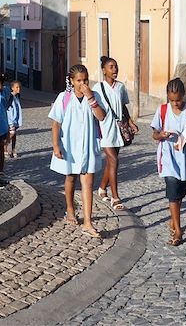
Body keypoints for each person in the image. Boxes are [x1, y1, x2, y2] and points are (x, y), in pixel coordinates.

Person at [49, 64, 107, 239]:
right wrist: (56, 145)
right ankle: (70, 209)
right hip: (70, 145)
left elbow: (101, 116)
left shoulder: (94, 96)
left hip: (88, 145)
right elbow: (56, 123)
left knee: (88, 182)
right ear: (72, 81)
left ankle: (88, 223)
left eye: (85, 80)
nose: (83, 83)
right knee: (70, 177)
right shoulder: (64, 98)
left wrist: (91, 98)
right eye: (79, 80)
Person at [151, 78, 186, 246]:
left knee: (181, 192)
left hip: (185, 159)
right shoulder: (163, 110)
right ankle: (178, 230)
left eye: (178, 99)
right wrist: (161, 135)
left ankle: (174, 218)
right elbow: (154, 133)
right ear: (167, 97)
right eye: (172, 100)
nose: (175, 103)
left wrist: (185, 140)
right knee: (172, 193)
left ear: (184, 95)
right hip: (168, 159)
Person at [94, 56, 139, 211]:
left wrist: (130, 122)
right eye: (111, 67)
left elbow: (123, 106)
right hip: (105, 129)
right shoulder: (97, 89)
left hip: (119, 128)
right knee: (113, 160)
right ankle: (115, 197)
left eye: (116, 66)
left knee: (112, 161)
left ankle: (101, 188)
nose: (115, 70)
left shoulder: (120, 87)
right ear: (104, 70)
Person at [6, 80, 23, 158]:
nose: (19, 88)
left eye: (19, 87)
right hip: (10, 120)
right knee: (11, 133)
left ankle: (13, 150)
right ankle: (4, 148)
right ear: (12, 88)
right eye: (17, 87)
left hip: (16, 119)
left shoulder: (17, 97)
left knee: (14, 134)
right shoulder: (10, 96)